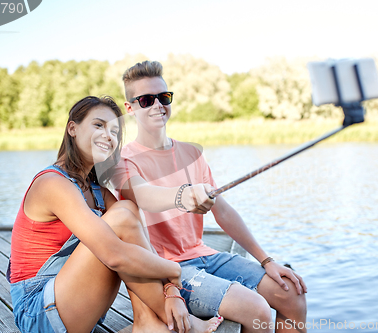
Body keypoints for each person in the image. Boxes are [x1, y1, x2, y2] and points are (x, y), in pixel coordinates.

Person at [111, 61, 308, 333]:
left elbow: (223, 211)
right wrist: (184, 195)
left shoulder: (192, 154)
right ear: (130, 108)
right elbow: (144, 195)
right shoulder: (123, 160)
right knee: (257, 309)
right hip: (168, 270)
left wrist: (266, 260)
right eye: (146, 100)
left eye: (164, 97)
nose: (157, 105)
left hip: (204, 255)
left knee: (292, 294)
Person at [7, 96, 224, 333]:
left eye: (114, 131)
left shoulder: (98, 192)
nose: (108, 136)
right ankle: (177, 323)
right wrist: (174, 271)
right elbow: (114, 256)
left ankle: (146, 322)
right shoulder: (52, 183)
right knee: (120, 219)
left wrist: (172, 289)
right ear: (72, 128)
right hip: (38, 312)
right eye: (98, 125)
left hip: (73, 302)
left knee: (127, 210)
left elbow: (139, 244)